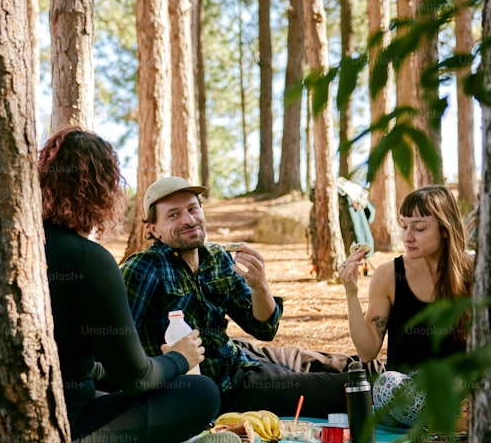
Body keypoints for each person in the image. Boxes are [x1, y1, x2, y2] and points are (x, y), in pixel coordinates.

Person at [0, 130, 240, 443]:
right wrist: (181, 357)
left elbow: (65, 358)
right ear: (104, 190)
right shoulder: (89, 260)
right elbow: (138, 379)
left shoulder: (3, 247)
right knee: (201, 393)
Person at [121, 177, 362, 419]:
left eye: (193, 209)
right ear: (154, 229)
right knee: (343, 389)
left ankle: (391, 377)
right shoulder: (143, 269)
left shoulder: (216, 257)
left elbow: (263, 327)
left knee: (349, 364)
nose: (189, 219)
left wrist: (259, 286)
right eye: (173, 215)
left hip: (240, 354)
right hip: (221, 386)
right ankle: (384, 393)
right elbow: (116, 349)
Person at [340, 185, 473, 427]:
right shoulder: (388, 275)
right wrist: (351, 293)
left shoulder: (473, 269)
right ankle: (449, 421)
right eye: (404, 226)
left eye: (419, 228)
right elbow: (367, 351)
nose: (407, 236)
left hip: (461, 392)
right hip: (407, 393)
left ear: (445, 230)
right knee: (387, 385)